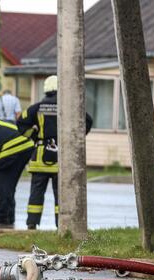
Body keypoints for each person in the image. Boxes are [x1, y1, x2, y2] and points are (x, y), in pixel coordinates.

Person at [17, 75, 93, 230]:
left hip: (40, 159)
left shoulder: (36, 108)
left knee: (36, 192)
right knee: (61, 194)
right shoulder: (69, 107)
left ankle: (32, 223)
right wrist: (75, 139)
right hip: (62, 159)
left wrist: (33, 135)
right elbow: (88, 121)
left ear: (46, 89)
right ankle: (61, 226)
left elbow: (20, 123)